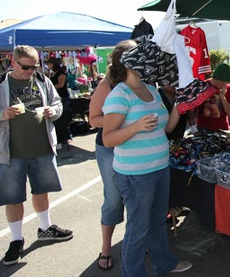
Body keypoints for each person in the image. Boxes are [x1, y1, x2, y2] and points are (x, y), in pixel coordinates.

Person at [102, 52, 192, 276]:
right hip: (136, 175)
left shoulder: (151, 89)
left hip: (160, 168)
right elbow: (107, 139)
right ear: (130, 63)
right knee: (138, 229)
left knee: (157, 222)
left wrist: (179, 106)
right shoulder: (119, 95)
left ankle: (165, 264)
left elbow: (167, 128)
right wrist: (136, 127)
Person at [0, 45, 73, 267]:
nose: (31, 71)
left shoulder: (42, 80)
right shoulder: (2, 84)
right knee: (13, 197)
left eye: (34, 66)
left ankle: (45, 227)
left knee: (42, 189)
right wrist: (2, 114)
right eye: (26, 67)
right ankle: (16, 240)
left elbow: (57, 103)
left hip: (42, 148)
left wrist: (53, 111)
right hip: (11, 153)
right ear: (13, 62)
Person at [88, 39, 136, 270]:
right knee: (114, 198)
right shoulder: (107, 85)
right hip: (109, 148)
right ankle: (106, 248)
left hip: (134, 146)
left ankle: (137, 241)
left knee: (136, 198)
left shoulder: (141, 81)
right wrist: (119, 120)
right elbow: (93, 118)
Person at [195, 63, 230, 133]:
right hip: (204, 128)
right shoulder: (203, 86)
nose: (225, 85)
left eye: (226, 82)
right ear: (215, 78)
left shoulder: (228, 88)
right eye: (222, 82)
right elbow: (192, 109)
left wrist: (222, 97)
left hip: (223, 129)